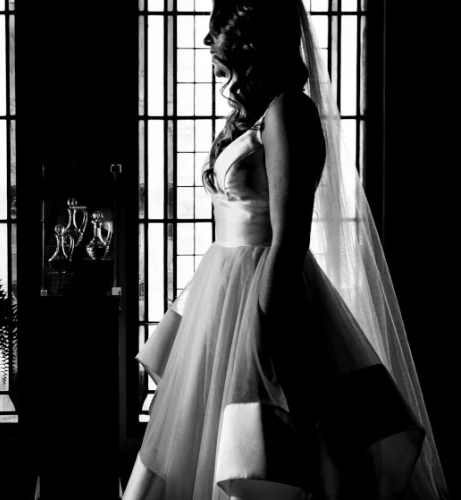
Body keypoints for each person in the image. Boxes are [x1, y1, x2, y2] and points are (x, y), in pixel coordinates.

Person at [123, 1, 448, 499]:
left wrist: (265, 332)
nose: (212, 51)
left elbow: (290, 237)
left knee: (265, 447)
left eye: (221, 42)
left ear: (249, 45)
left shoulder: (288, 112)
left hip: (265, 291)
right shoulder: (252, 113)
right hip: (221, 289)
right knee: (202, 438)